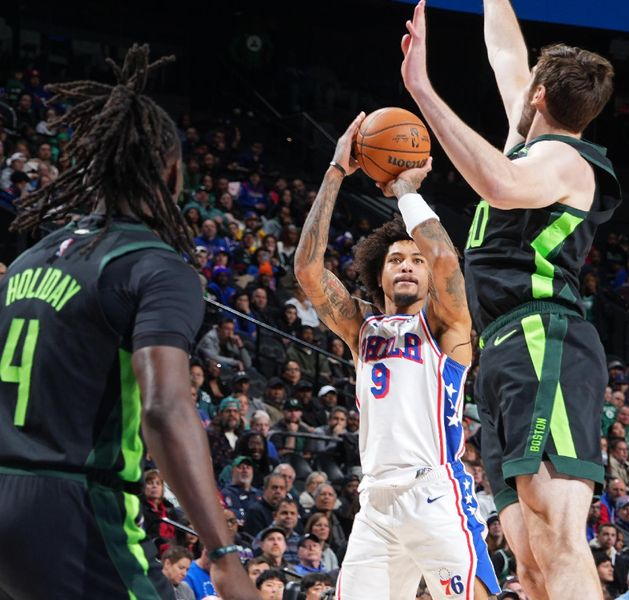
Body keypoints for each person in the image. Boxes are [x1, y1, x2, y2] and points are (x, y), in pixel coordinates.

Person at [0, 45, 256, 599]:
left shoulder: (27, 261)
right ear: (170, 172)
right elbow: (164, 408)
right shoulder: (156, 267)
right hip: (75, 506)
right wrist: (223, 552)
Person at [398, 1, 620, 597]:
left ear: (540, 96)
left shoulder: (564, 160)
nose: (518, 89)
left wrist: (420, 88)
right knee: (528, 558)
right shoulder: (533, 140)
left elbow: (498, 182)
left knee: (557, 538)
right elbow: (506, 54)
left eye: (529, 88)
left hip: (543, 339)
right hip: (503, 349)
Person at [293, 114, 499, 599]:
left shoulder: (448, 326)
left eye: (415, 260)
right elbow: (307, 269)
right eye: (395, 260)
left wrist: (406, 192)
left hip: (434, 494)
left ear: (428, 279)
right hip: (376, 506)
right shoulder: (360, 327)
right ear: (378, 276)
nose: (407, 265)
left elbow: (447, 259)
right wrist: (336, 170)